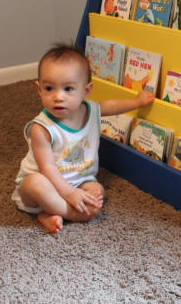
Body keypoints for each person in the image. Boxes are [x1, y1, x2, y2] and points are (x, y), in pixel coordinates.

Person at [11, 43, 155, 234]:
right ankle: (68, 212)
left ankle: (50, 214)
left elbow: (112, 106)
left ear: (86, 91)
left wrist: (137, 102)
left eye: (68, 89)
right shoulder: (41, 129)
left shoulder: (91, 110)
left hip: (79, 180)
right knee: (35, 184)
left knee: (97, 191)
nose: (58, 97)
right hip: (45, 185)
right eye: (49, 88)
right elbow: (47, 169)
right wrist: (69, 194)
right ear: (39, 89)